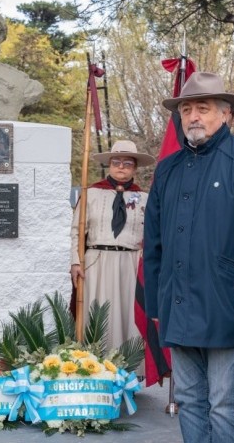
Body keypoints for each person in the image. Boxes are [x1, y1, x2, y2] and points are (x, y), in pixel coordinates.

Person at [144, 72, 234, 442]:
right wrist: (157, 301)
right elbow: (154, 241)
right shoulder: (168, 169)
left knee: (224, 404)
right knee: (189, 399)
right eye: (186, 108)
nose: (192, 116)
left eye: (202, 108)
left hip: (231, 305)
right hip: (178, 301)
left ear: (227, 116)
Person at [70, 140, 155, 351]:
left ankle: (128, 366)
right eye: (116, 161)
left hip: (131, 263)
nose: (121, 167)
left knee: (127, 315)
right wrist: (74, 261)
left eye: (127, 163)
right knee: (97, 313)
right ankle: (93, 363)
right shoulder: (91, 194)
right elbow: (75, 232)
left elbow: (153, 234)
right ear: (109, 164)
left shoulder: (145, 198)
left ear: (135, 167)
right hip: (96, 262)